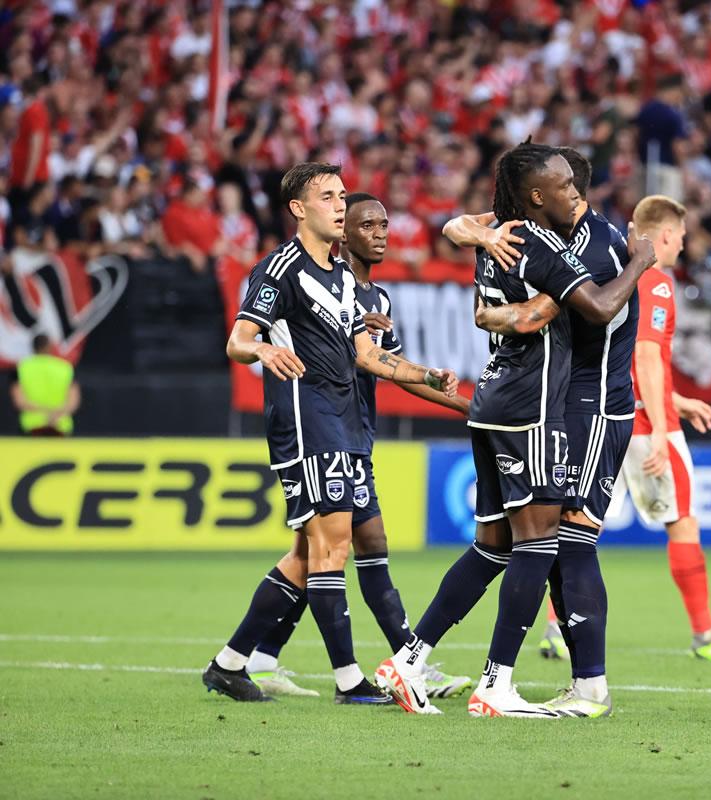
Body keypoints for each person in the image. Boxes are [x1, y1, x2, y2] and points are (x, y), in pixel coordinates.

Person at [374, 142, 656, 717]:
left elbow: (463, 235)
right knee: (550, 545)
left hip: (497, 398)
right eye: (565, 187)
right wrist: (640, 262)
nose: (576, 196)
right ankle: (517, 684)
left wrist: (487, 303)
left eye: (578, 187)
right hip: (539, 407)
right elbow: (593, 306)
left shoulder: (498, 233)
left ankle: (407, 660)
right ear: (538, 196)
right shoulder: (551, 245)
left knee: (495, 545)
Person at [202, 162, 458, 705]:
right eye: (328, 197)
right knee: (333, 546)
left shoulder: (343, 278)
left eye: (342, 195)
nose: (340, 205)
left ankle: (229, 664)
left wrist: (426, 373)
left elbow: (368, 357)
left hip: (343, 422)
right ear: (299, 209)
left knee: (306, 551)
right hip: (307, 421)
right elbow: (237, 340)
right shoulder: (280, 270)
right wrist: (263, 348)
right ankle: (349, 681)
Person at [613, 194, 711, 660]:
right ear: (667, 235)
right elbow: (646, 355)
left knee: (576, 526)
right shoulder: (654, 281)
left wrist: (675, 397)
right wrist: (660, 424)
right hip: (645, 424)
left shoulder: (614, 277)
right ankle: (706, 635)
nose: (683, 246)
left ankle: (555, 630)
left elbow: (624, 361)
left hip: (607, 417)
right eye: (682, 237)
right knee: (683, 522)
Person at [11, 334, 80, 436]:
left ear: (33, 347)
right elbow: (73, 401)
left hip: (31, 426)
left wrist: (44, 412)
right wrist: (55, 414)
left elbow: (20, 401)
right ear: (50, 347)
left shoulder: (21, 368)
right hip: (60, 425)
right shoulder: (65, 367)